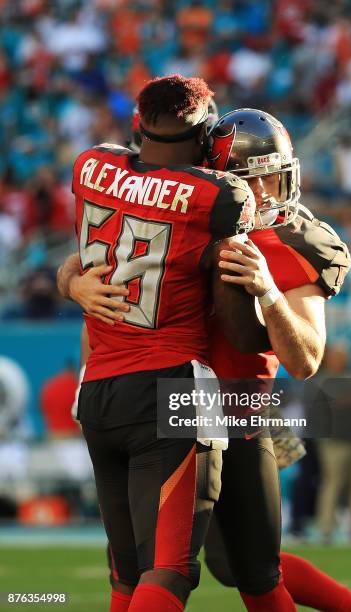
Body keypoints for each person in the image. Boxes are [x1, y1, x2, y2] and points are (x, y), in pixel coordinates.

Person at [59, 75, 262, 612]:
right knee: (170, 571)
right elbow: (242, 324)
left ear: (137, 121)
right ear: (205, 134)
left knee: (128, 575)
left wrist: (71, 283)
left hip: (99, 389)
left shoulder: (90, 165)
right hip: (173, 386)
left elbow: (82, 258)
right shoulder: (221, 194)